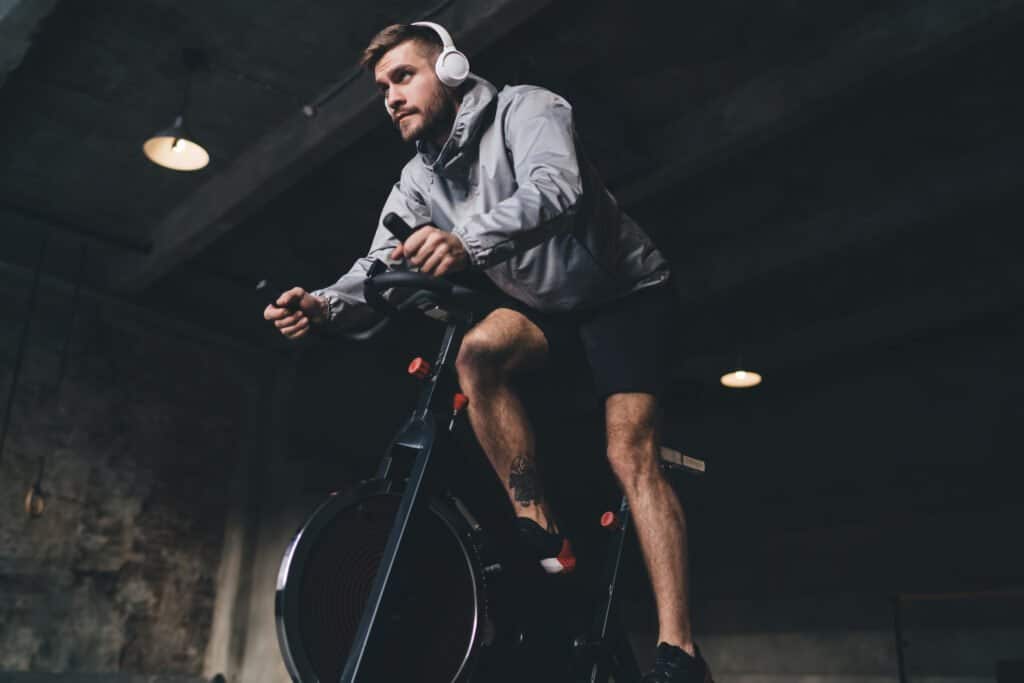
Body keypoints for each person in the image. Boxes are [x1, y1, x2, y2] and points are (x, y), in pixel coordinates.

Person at [263, 22, 712, 683]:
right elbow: (378, 262)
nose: (390, 96)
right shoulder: (418, 178)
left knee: (629, 452)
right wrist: (323, 304)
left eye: (403, 76)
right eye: (382, 88)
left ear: (449, 67)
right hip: (544, 303)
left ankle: (680, 651)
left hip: (623, 293)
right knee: (476, 354)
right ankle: (537, 521)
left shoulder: (527, 108)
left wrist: (466, 242)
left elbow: (557, 189)